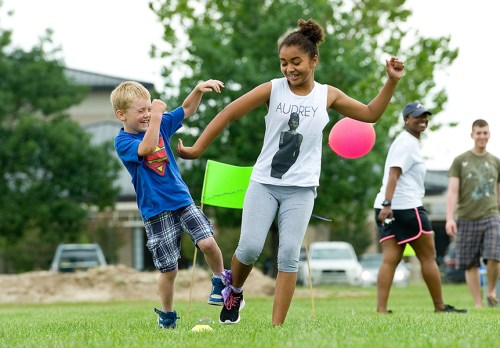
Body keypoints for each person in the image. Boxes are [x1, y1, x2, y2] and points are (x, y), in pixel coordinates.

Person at [177, 18, 405, 326]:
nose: (289, 69)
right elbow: (229, 113)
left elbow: (370, 114)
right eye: (283, 63)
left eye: (296, 61)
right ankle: (236, 290)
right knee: (250, 247)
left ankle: (276, 328)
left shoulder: (328, 95)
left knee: (288, 256)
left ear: (314, 60)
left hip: (302, 189)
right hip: (264, 184)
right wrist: (196, 149)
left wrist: (390, 81)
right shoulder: (273, 89)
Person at [111, 80, 227, 329]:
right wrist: (156, 117)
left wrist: (197, 90)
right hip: (155, 211)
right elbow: (147, 147)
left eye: (148, 109)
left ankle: (220, 280)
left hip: (181, 200)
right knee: (169, 269)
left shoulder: (159, 122)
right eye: (140, 111)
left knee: (206, 241)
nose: (147, 115)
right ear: (121, 115)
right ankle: (167, 314)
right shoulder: (123, 142)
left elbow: (186, 110)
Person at [373, 102, 466, 314]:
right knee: (428, 256)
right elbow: (394, 174)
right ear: (406, 119)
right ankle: (440, 307)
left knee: (391, 258)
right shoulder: (407, 143)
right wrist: (388, 205)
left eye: (425, 116)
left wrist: (385, 205)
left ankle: (381, 309)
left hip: (386, 206)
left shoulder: (406, 142)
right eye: (417, 116)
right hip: (405, 207)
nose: (422, 119)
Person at [445, 119, 500, 308]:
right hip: (466, 217)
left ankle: (491, 291)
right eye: (478, 133)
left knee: (494, 255)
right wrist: (450, 218)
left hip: (491, 216)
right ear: (472, 135)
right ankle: (478, 303)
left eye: (485, 133)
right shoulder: (460, 161)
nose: (482, 136)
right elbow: (452, 191)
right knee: (470, 263)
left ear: (489, 135)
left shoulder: (496, 162)